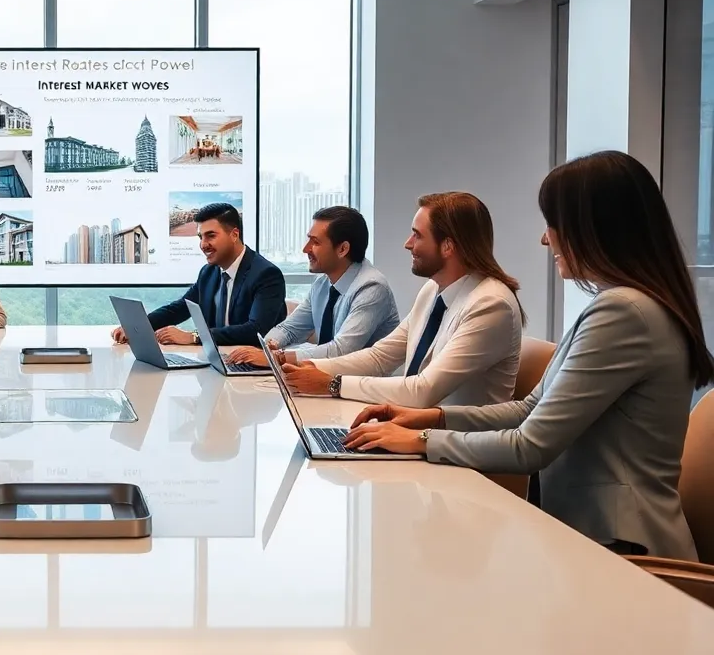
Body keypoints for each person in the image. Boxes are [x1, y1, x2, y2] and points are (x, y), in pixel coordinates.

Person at [344, 151, 708, 561]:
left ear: (594, 227)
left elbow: (531, 446)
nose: (545, 238)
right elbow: (530, 409)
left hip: (624, 551)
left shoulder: (623, 312)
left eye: (554, 223)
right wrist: (433, 418)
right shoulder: (622, 304)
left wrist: (421, 440)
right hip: (592, 537)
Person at [281, 192, 522, 408]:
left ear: (448, 246)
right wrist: (305, 368)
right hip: (411, 427)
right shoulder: (432, 290)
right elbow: (380, 357)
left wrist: (333, 384)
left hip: (455, 439)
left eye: (417, 235)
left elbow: (423, 390)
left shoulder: (491, 305)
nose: (408, 244)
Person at [225, 206, 399, 367]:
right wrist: (269, 347)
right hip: (326, 379)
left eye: (315, 242)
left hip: (362, 386)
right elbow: (288, 329)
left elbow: (341, 351)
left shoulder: (371, 288)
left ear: (342, 249)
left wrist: (277, 358)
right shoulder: (323, 283)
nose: (305, 249)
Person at [112, 202, 285, 347]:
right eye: (200, 237)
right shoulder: (209, 272)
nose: (203, 244)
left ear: (234, 235)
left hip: (251, 366)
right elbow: (180, 308)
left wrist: (194, 337)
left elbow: (255, 330)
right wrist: (137, 326)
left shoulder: (266, 275)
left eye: (210, 236)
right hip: (217, 361)